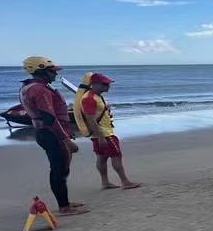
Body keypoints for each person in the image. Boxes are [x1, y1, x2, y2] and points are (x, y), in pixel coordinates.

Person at [19, 56, 86, 216]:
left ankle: (65, 202)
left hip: (47, 133)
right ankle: (64, 207)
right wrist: (66, 140)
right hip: (52, 134)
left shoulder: (29, 87)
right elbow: (49, 117)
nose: (55, 75)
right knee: (59, 169)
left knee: (61, 168)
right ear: (41, 71)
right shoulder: (39, 89)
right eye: (52, 71)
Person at [72, 72, 140, 190]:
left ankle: (105, 182)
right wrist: (101, 137)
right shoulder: (89, 98)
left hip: (99, 133)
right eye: (105, 84)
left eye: (108, 84)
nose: (108, 86)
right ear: (95, 84)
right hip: (104, 134)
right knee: (116, 155)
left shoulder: (96, 96)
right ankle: (125, 182)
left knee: (102, 158)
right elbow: (90, 119)